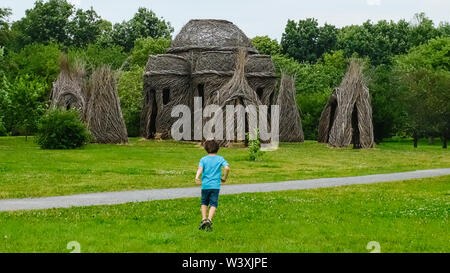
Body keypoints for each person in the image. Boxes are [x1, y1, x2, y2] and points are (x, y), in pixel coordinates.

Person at [195, 140, 230, 231]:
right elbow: (227, 168)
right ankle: (209, 220)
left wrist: (197, 177)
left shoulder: (203, 159)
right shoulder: (220, 159)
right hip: (215, 186)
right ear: (217, 149)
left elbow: (200, 168)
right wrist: (224, 178)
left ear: (206, 149)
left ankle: (203, 219)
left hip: (205, 185)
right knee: (213, 203)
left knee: (204, 202)